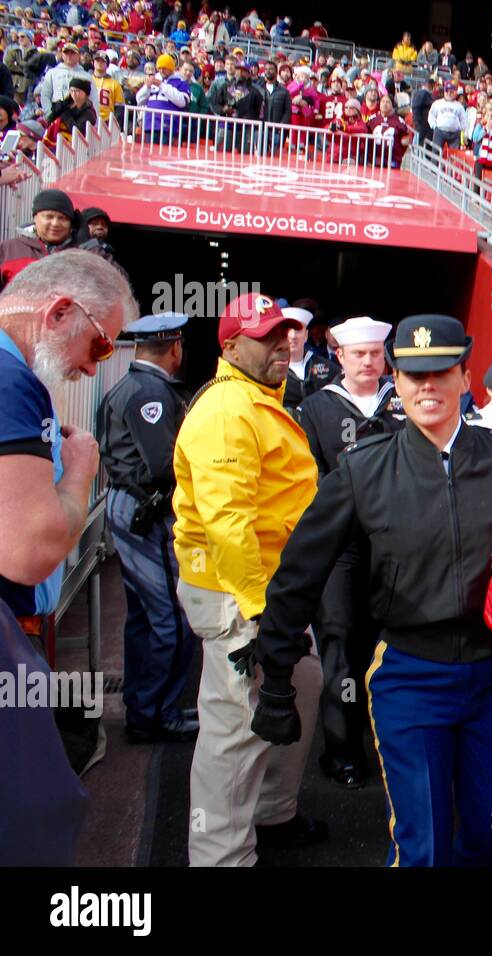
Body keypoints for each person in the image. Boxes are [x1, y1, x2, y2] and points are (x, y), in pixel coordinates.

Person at [252, 315, 492, 867]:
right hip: (410, 674)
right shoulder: (362, 471)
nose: (427, 386)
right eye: (414, 374)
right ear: (396, 382)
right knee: (424, 844)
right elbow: (300, 571)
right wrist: (276, 673)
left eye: (441, 371)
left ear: (466, 378)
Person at [171, 294, 325, 867]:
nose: (281, 344)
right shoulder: (226, 411)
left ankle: (272, 814)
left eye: (284, 333)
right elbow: (228, 524)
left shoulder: (260, 400)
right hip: (241, 596)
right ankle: (220, 857)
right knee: (237, 728)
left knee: (302, 685)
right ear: (231, 347)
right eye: (266, 337)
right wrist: (262, 617)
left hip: (273, 589)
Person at [0, 250, 132, 864]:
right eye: (101, 345)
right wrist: (80, 470)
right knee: (38, 819)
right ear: (57, 312)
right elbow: (31, 550)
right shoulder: (9, 380)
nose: (91, 366)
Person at [294, 317, 403, 788]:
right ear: (339, 356)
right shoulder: (317, 407)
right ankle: (341, 752)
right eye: (359, 354)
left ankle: (385, 741)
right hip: (341, 548)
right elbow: (309, 478)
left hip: (392, 545)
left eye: (376, 354)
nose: (368, 362)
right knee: (338, 644)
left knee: (387, 645)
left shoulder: (400, 404)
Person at [96, 312, 199, 744]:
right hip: (147, 511)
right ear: (174, 348)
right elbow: (164, 465)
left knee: (142, 617)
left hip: (130, 505)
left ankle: (143, 707)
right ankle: (158, 712)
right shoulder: (150, 392)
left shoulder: (129, 385)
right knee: (172, 618)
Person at [0, 189, 79, 287]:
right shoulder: (8, 249)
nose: (55, 224)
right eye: (49, 217)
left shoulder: (80, 252)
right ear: (35, 217)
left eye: (62, 218)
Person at [135, 52, 190, 144]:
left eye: (164, 68)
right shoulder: (153, 80)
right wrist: (147, 87)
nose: (161, 71)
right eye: (159, 68)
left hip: (168, 125)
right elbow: (139, 100)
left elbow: (183, 102)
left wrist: (162, 85)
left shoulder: (181, 82)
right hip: (150, 123)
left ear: (171, 68)